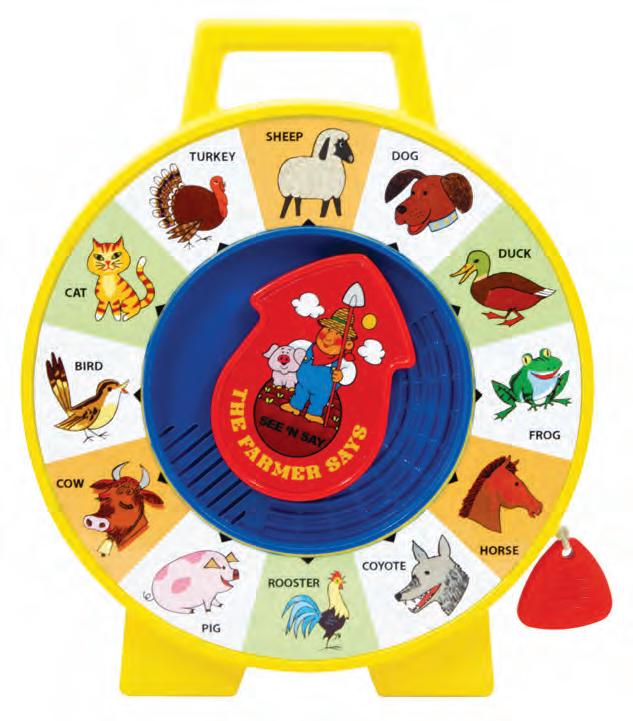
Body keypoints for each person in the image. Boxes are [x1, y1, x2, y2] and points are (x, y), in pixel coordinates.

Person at [280, 308, 357, 425]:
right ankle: (294, 406)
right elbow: (294, 348)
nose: (328, 338)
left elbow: (349, 372)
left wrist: (341, 376)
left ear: (348, 344)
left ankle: (314, 413)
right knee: (300, 392)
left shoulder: (342, 362)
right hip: (303, 382)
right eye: (328, 330)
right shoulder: (308, 347)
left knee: (320, 399)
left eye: (338, 334)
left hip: (323, 389)